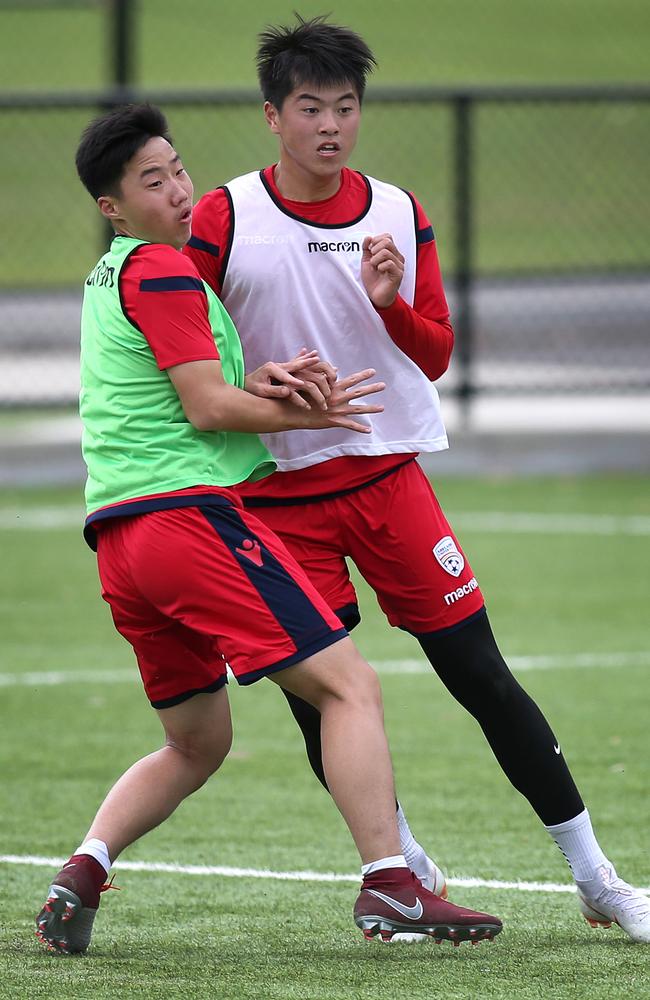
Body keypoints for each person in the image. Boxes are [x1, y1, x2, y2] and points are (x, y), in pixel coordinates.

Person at [184, 15, 650, 943]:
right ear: (272, 115)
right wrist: (251, 383)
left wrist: (392, 306)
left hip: (390, 481)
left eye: (346, 107)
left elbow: (433, 355)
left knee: (481, 673)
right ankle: (399, 864)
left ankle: (597, 877)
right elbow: (188, 353)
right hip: (274, 497)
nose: (331, 125)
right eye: (310, 107)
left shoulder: (397, 210)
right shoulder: (223, 217)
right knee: (322, 698)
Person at [34, 103, 502, 956]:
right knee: (350, 687)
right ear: (111, 205)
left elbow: (181, 382)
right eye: (153, 181)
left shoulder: (113, 276)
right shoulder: (167, 274)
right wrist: (307, 406)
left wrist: (277, 383)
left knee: (195, 741)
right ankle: (392, 887)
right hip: (185, 522)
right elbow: (208, 403)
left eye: (177, 169)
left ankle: (83, 872)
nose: (179, 189)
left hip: (118, 543)